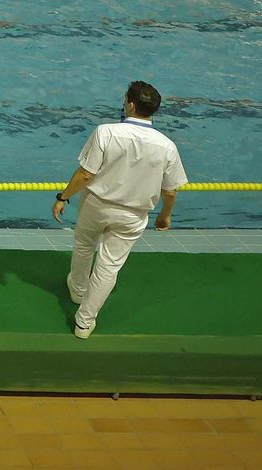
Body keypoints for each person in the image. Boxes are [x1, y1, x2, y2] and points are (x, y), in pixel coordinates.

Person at [51, 81, 186, 339]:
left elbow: (85, 174)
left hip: (96, 205)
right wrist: (165, 214)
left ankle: (78, 290)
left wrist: (63, 197)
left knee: (83, 245)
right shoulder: (167, 146)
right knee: (109, 267)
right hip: (133, 215)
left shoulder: (106, 132)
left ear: (131, 105)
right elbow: (170, 191)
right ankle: (84, 323)